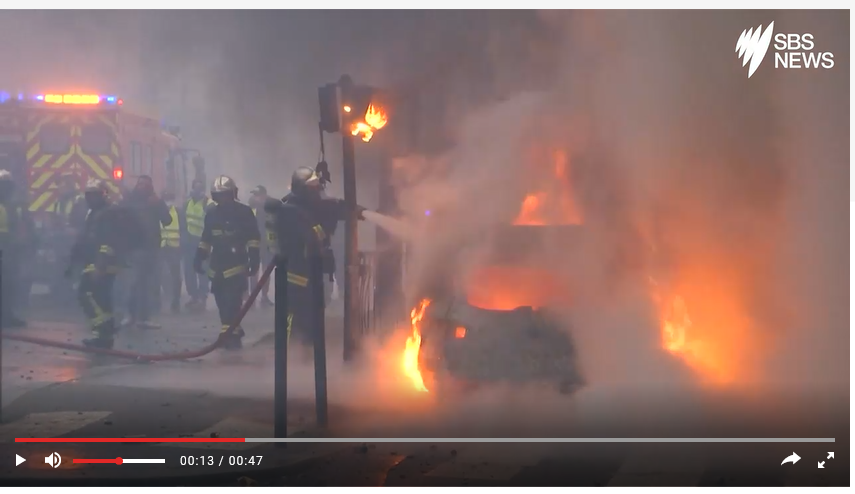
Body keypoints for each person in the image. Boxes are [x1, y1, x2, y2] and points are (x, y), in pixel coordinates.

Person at [265, 166, 365, 347]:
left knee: (314, 313)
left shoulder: (317, 206)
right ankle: (290, 348)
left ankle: (307, 346)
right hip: (296, 272)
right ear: (301, 188)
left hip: (315, 270)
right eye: (312, 187)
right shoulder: (290, 210)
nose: (317, 190)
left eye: (317, 186)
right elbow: (307, 237)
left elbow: (336, 209)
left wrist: (358, 211)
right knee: (295, 312)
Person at [194, 175, 260, 350]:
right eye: (219, 195)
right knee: (222, 303)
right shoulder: (211, 214)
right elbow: (206, 239)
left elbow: (253, 237)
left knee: (232, 302)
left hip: (236, 265)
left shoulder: (244, 212)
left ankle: (229, 335)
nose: (223, 199)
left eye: (225, 195)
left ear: (232, 194)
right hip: (216, 267)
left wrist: (254, 258)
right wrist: (199, 257)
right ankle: (233, 331)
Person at [67, 179, 124, 348]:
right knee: (101, 298)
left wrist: (101, 263)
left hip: (102, 263)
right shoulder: (93, 213)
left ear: (102, 195)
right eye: (89, 195)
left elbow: (109, 240)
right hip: (95, 260)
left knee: (86, 294)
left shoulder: (107, 213)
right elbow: (85, 238)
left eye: (94, 195)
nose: (91, 198)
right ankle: (103, 335)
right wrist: (73, 261)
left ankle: (105, 329)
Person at [120, 175, 172, 329]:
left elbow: (167, 220)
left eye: (145, 185)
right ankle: (131, 315)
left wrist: (159, 204)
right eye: (140, 184)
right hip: (134, 248)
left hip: (151, 248)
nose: (142, 187)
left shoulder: (155, 202)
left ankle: (143, 318)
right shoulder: (130, 201)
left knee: (146, 284)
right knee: (133, 282)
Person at [0, 170, 27, 328]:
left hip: (10, 249)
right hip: (6, 247)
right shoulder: (10, 205)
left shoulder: (13, 206)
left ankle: (7, 315)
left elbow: (19, 227)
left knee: (9, 283)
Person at [182, 179, 209, 312]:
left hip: (202, 242)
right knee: (189, 271)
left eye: (199, 188)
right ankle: (193, 296)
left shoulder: (207, 204)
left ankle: (202, 298)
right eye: (195, 188)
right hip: (189, 242)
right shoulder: (187, 203)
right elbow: (183, 222)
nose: (197, 191)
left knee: (202, 270)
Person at [248, 185, 273, 308]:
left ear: (264, 195)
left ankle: (264, 296)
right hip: (254, 245)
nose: (255, 197)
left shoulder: (270, 208)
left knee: (266, 272)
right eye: (254, 195)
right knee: (254, 271)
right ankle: (252, 298)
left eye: (257, 195)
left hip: (267, 245)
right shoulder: (251, 208)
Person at [159, 189, 183, 314]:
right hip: (160, 247)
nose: (168, 202)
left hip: (174, 247)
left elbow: (183, 229)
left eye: (170, 199)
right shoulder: (157, 211)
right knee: (157, 274)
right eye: (166, 199)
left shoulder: (178, 212)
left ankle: (176, 301)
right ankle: (156, 302)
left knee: (176, 276)